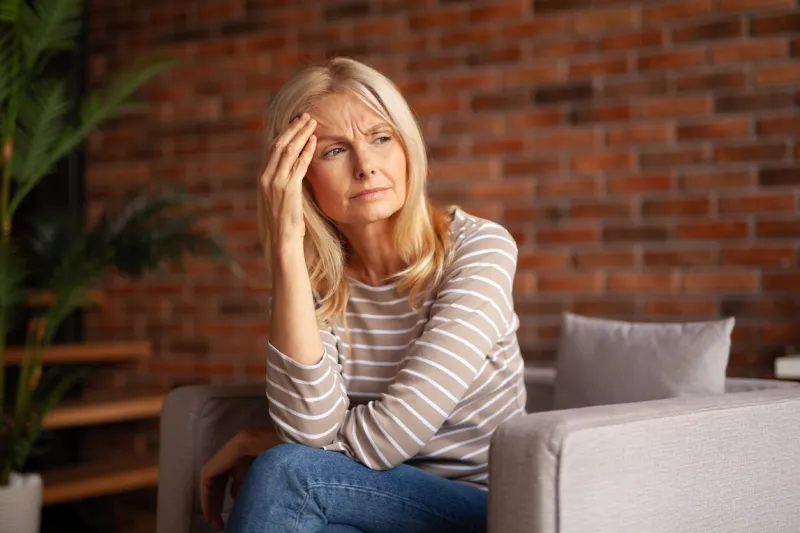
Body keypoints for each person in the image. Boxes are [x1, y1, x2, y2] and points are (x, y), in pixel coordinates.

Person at [199, 57, 526, 533]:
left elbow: (389, 437)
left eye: (380, 138)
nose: (367, 167)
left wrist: (261, 441)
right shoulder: (309, 280)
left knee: (287, 474)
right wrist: (288, 249)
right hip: (360, 501)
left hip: (482, 508)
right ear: (298, 176)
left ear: (407, 147)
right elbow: (307, 432)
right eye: (334, 151)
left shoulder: (479, 249)